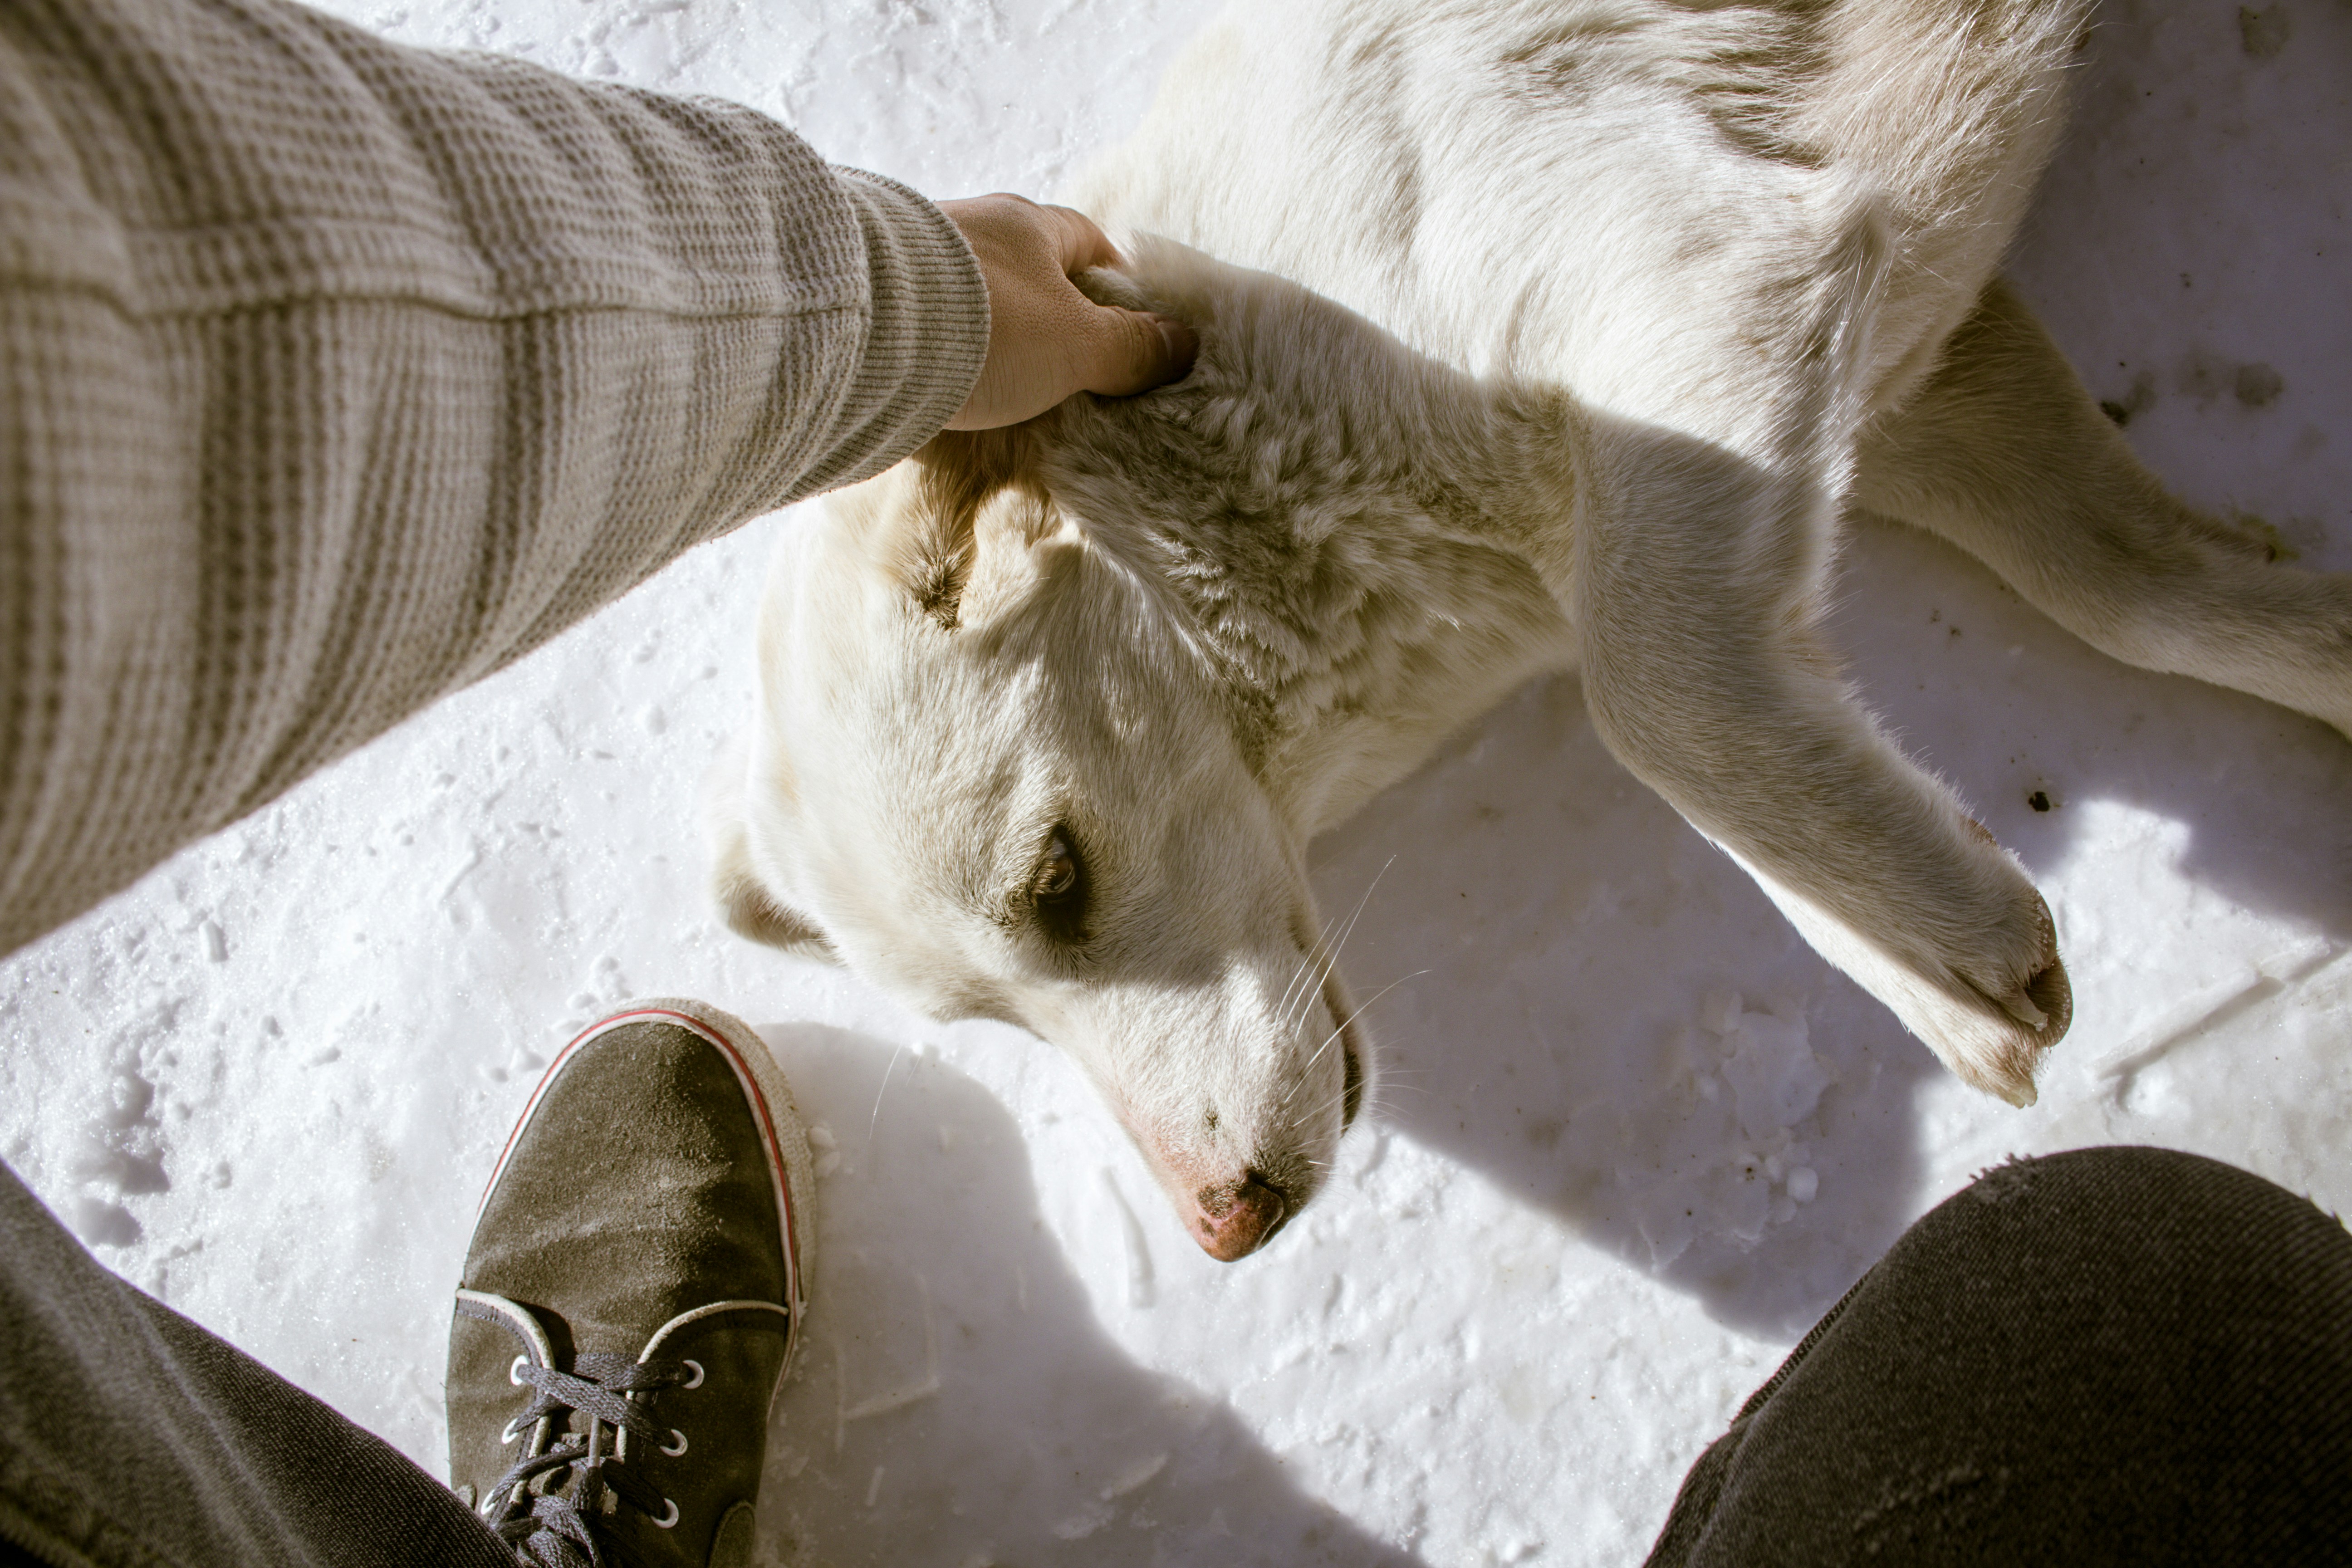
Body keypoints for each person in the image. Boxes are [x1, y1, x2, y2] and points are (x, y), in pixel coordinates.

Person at [0, 2, 2344, 1566]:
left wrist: (1708, 708)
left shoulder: (1293, 217)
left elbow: (1737, 243)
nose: (1191, 1185)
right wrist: (2162, 596)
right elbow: (1852, 307)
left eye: (1058, 887)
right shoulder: (1225, 634)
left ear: (988, 529)